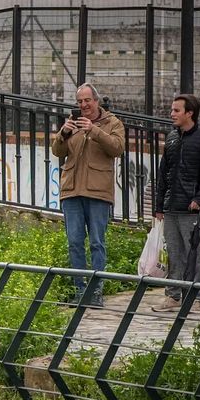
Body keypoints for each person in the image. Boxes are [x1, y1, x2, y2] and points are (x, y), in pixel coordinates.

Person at [51, 83, 124, 306]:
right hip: (72, 191)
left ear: (96, 101)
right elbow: (57, 151)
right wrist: (63, 134)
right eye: (80, 102)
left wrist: (94, 130)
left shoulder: (112, 123)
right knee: (74, 242)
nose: (83, 105)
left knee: (96, 243)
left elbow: (117, 148)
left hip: (98, 192)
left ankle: (96, 292)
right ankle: (80, 292)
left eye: (87, 101)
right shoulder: (72, 123)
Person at [152, 92, 200, 313]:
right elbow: (164, 173)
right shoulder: (171, 138)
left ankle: (199, 298)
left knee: (195, 254)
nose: (172, 114)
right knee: (174, 253)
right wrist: (159, 205)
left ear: (190, 113)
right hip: (172, 207)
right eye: (172, 110)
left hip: (192, 209)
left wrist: (199, 200)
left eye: (176, 110)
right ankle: (173, 296)